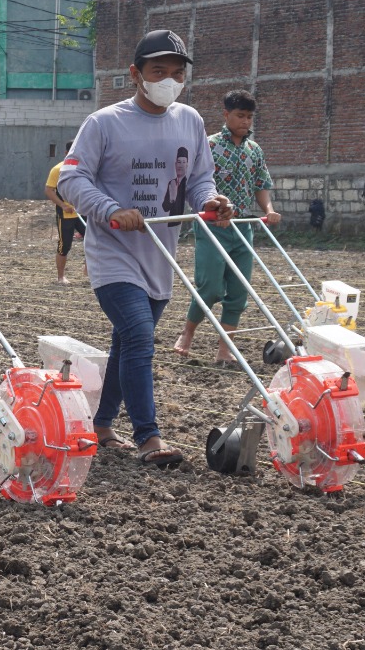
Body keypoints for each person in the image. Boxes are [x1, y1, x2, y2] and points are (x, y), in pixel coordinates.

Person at [58, 29, 231, 468]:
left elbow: (199, 179)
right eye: (159, 71)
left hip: (161, 254)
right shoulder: (104, 123)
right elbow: (71, 178)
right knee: (138, 334)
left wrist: (210, 202)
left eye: (177, 73)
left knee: (126, 343)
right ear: (136, 74)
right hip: (113, 252)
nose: (169, 80)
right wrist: (111, 209)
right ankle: (148, 437)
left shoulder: (190, 120)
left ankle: (100, 426)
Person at [173, 90, 281, 363]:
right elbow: (196, 183)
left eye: (249, 117)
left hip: (242, 227)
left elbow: (261, 184)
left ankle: (225, 349)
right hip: (213, 226)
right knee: (210, 288)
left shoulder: (254, 151)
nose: (245, 122)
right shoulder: (208, 146)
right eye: (240, 116)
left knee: (238, 291)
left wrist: (268, 210)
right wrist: (214, 210)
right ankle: (187, 332)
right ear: (226, 115)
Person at [44, 158, 84, 284]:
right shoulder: (58, 169)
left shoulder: (85, 166)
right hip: (66, 215)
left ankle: (88, 272)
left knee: (93, 241)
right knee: (64, 245)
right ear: (67, 153)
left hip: (83, 213)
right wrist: (63, 205)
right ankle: (60, 277)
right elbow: (49, 190)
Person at [161, 146, 189, 216]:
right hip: (171, 223)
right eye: (179, 162)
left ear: (187, 165)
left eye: (184, 162)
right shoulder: (172, 183)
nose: (181, 165)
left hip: (185, 223)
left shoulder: (188, 182)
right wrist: (171, 199)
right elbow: (165, 208)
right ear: (175, 164)